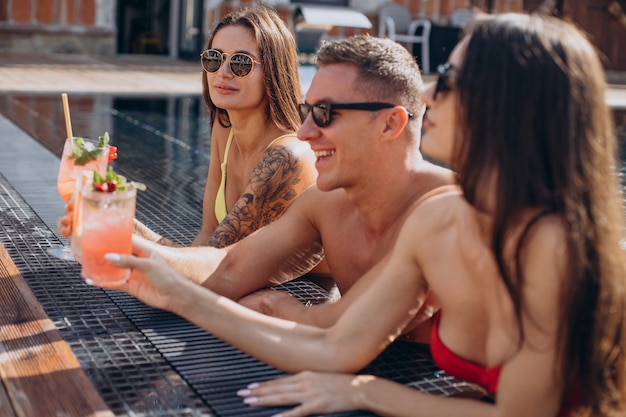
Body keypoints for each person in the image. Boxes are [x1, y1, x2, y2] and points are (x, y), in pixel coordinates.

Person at [98, 13, 626, 417]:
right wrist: (174, 290)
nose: (429, 92)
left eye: (450, 77)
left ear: (507, 103)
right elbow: (334, 347)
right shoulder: (440, 221)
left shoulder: (555, 248)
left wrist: (372, 392)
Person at [129, 34, 453, 334]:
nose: (305, 131)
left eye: (325, 113)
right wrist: (119, 238)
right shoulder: (323, 204)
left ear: (390, 123)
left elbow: (337, 337)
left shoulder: (453, 212)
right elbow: (227, 267)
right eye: (306, 110)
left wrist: (278, 307)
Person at [110, 5, 319, 248]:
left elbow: (216, 263)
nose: (223, 72)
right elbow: (208, 235)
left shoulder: (286, 157)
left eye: (241, 62)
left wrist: (125, 231)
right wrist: (116, 222)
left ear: (274, 72)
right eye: (214, 58)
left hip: (306, 286)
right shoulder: (225, 127)